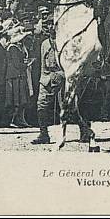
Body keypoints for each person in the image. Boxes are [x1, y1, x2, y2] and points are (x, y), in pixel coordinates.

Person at [31, 16, 65, 144]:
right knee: (41, 105)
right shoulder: (44, 43)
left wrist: (62, 74)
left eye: (53, 24)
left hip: (63, 77)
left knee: (69, 107)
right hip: (47, 78)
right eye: (48, 25)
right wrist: (43, 79)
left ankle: (85, 130)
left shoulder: (65, 41)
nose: (51, 27)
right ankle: (43, 134)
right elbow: (42, 65)